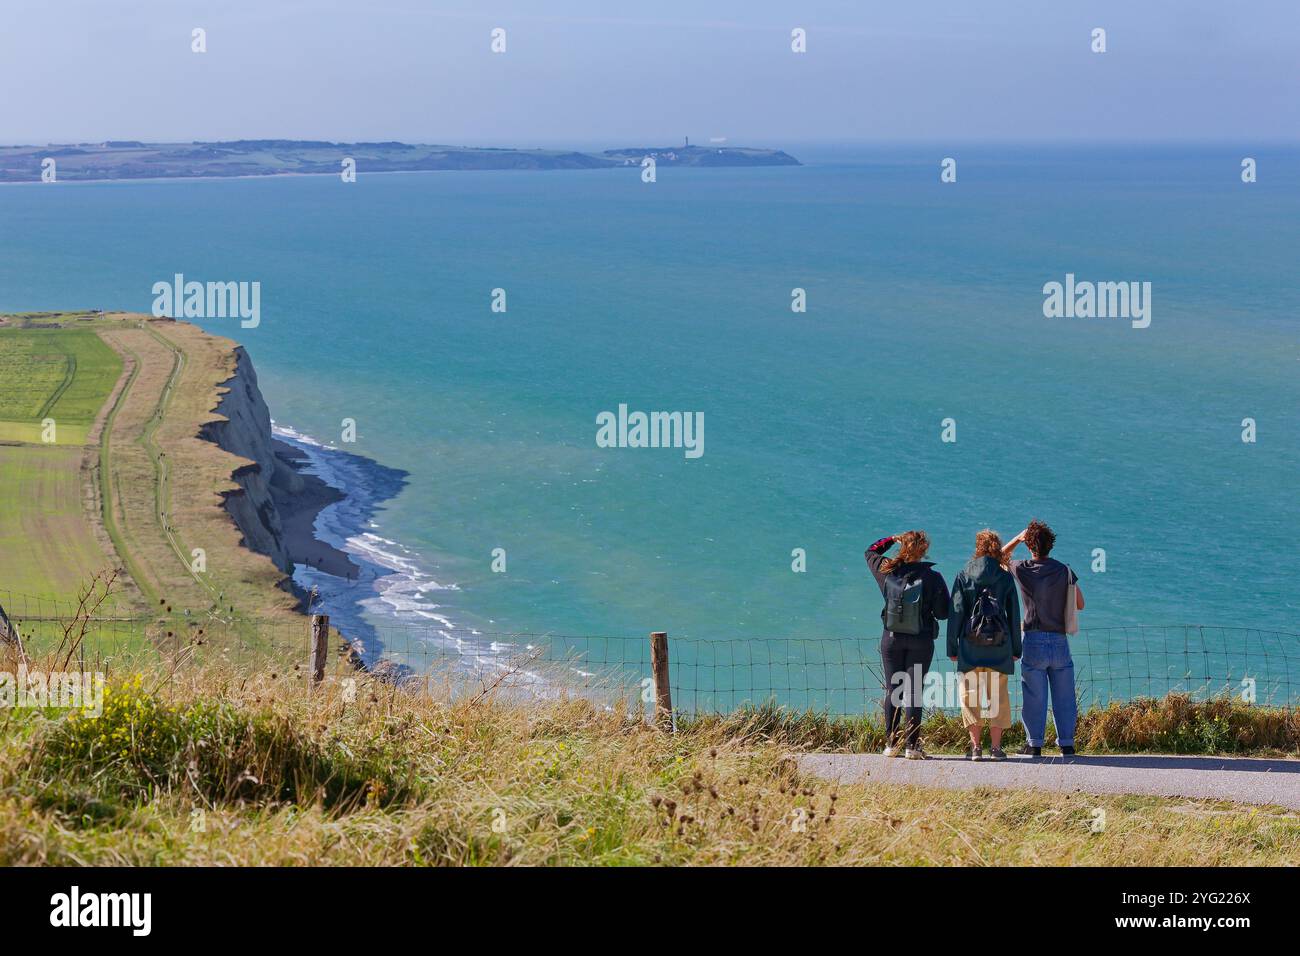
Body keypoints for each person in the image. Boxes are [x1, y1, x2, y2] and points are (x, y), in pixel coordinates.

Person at [1002, 519, 1085, 757]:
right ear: (1051, 546)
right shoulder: (1065, 570)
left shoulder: (1022, 568)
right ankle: (1067, 743)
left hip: (1034, 638)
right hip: (1059, 640)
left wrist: (1017, 538)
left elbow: (997, 558)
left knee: (1034, 695)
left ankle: (1034, 744)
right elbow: (1080, 604)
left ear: (1030, 546)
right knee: (1065, 696)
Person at [866, 531, 950, 759]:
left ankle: (891, 745)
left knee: (894, 689)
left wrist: (890, 540)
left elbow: (870, 551)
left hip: (891, 638)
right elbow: (943, 613)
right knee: (913, 692)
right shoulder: (933, 577)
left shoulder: (887, 571)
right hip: (921, 640)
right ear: (924, 550)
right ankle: (912, 747)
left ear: (902, 546)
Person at [948, 530, 1021, 761]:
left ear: (977, 548)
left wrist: (952, 648)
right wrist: (1016, 649)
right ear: (996, 548)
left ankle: (976, 747)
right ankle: (997, 749)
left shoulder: (963, 575)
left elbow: (956, 613)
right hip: (999, 647)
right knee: (998, 696)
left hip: (970, 647)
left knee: (969, 695)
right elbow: (1013, 614)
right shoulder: (1005, 577)